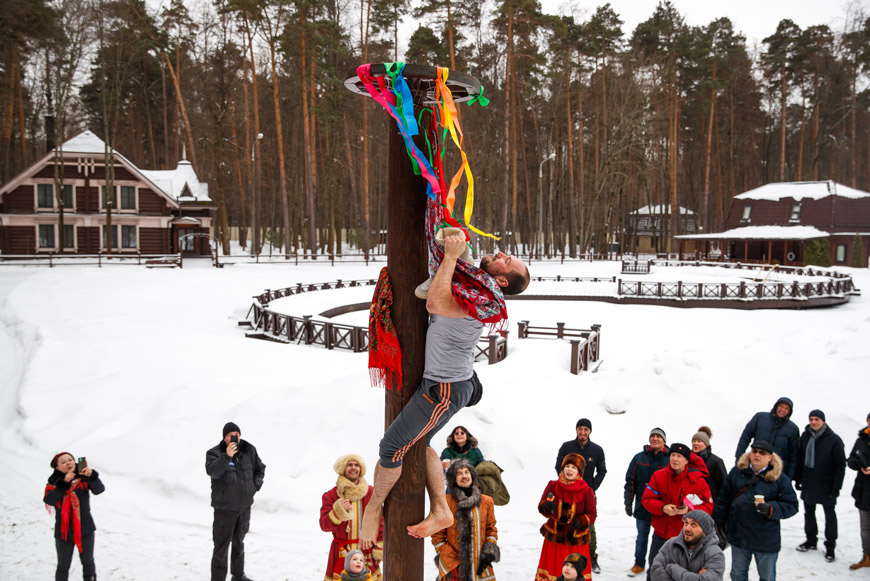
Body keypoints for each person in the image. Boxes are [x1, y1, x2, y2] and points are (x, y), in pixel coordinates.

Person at [360, 234, 528, 547]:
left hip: (445, 389)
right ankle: (440, 509)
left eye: (507, 260)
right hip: (445, 383)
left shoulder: (484, 301)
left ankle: (373, 508)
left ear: (502, 280)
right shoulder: (473, 283)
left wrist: (450, 257)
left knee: (392, 445)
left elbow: (435, 302)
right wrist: (451, 238)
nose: (503, 253)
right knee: (420, 445)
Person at [712, 440, 799, 581]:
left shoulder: (779, 478)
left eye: (762, 453)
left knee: (766, 577)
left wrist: (771, 508)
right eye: (754, 451)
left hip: (765, 539)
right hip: (739, 536)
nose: (757, 455)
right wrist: (719, 522)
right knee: (737, 574)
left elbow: (792, 505)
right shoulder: (737, 472)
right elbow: (724, 499)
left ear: (770, 457)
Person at [641, 443, 714, 576]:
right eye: (673, 455)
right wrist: (663, 507)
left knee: (682, 574)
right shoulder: (658, 476)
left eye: (679, 456)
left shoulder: (698, 481)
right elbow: (647, 500)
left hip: (687, 539)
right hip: (661, 536)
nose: (675, 459)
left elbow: (708, 507)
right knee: (655, 571)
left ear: (686, 460)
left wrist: (689, 509)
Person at [205, 422, 266, 581]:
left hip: (244, 508)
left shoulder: (249, 450)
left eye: (237, 434)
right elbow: (213, 471)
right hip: (224, 510)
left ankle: (238, 576)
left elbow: (260, 469)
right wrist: (227, 456)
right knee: (221, 547)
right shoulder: (215, 453)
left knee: (239, 543)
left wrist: (255, 486)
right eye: (230, 435)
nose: (234, 438)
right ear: (224, 437)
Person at [432, 459, 500, 580]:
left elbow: (491, 529)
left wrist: (489, 552)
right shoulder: (445, 502)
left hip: (481, 565)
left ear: (472, 476)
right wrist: (448, 560)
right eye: (459, 473)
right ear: (453, 479)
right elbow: (437, 535)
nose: (464, 476)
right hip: (454, 566)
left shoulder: (486, 501)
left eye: (466, 472)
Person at [43, 452, 105, 581]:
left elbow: (99, 490)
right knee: (63, 565)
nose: (68, 463)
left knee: (88, 563)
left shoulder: (83, 478)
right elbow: (50, 500)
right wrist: (64, 483)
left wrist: (92, 476)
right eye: (63, 462)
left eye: (70, 460)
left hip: (85, 528)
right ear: (57, 467)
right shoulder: (54, 483)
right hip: (64, 532)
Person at [555, 418, 607, 573]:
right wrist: (565, 484)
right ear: (576, 430)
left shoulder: (597, 450)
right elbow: (559, 466)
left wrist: (591, 488)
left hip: (587, 495)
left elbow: (602, 470)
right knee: (565, 523)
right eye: (580, 429)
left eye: (586, 429)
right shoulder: (567, 447)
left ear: (590, 431)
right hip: (567, 494)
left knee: (588, 525)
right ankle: (565, 558)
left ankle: (591, 557)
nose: (583, 432)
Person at [794, 409, 846, 562]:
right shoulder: (806, 436)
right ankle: (811, 541)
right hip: (809, 482)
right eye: (811, 419)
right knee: (809, 513)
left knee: (830, 516)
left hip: (827, 485)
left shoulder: (834, 440)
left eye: (817, 419)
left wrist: (836, 487)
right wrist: (798, 479)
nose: (814, 422)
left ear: (823, 421)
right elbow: (800, 458)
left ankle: (830, 547)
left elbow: (840, 465)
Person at [320, 455, 382, 581]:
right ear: (343, 468)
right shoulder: (331, 495)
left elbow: (380, 521)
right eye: (349, 465)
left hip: (366, 550)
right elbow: (324, 525)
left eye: (356, 465)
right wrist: (338, 513)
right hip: (342, 552)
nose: (353, 468)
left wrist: (379, 547)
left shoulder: (371, 493)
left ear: (361, 469)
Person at [536, 453, 597, 581]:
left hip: (575, 541)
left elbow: (592, 514)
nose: (570, 470)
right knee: (553, 571)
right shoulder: (553, 485)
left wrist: (581, 521)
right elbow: (541, 506)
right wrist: (546, 506)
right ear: (562, 468)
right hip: (554, 540)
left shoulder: (586, 491)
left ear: (579, 472)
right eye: (567, 466)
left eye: (574, 467)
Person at [624, 428, 670, 577]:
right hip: (642, 507)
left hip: (662, 509)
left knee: (661, 539)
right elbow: (630, 481)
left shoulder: (670, 460)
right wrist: (628, 502)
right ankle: (639, 564)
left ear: (664, 441)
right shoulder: (639, 458)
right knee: (642, 537)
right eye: (653, 436)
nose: (655, 438)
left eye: (658, 436)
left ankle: (658, 566)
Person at [734, 397, 800, 479]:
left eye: (786, 408)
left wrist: (789, 477)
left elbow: (793, 455)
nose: (783, 410)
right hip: (755, 466)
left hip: (776, 472)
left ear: (789, 412)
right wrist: (739, 457)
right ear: (776, 406)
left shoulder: (793, 429)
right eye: (781, 406)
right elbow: (745, 437)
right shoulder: (760, 418)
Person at [649, 510, 725, 581]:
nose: (687, 528)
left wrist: (674, 569)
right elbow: (656, 572)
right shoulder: (671, 544)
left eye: (693, 524)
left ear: (705, 531)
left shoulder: (715, 554)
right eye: (686, 523)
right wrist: (697, 577)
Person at [691, 426, 728, 548]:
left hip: (710, 506)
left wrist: (721, 508)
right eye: (694, 441)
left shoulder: (716, 461)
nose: (696, 444)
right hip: (691, 506)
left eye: (699, 441)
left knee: (708, 539)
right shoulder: (688, 460)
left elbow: (724, 485)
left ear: (706, 444)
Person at [846, 411, 870, 570]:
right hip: (864, 491)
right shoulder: (861, 440)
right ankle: (867, 557)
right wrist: (859, 465)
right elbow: (850, 460)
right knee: (865, 528)